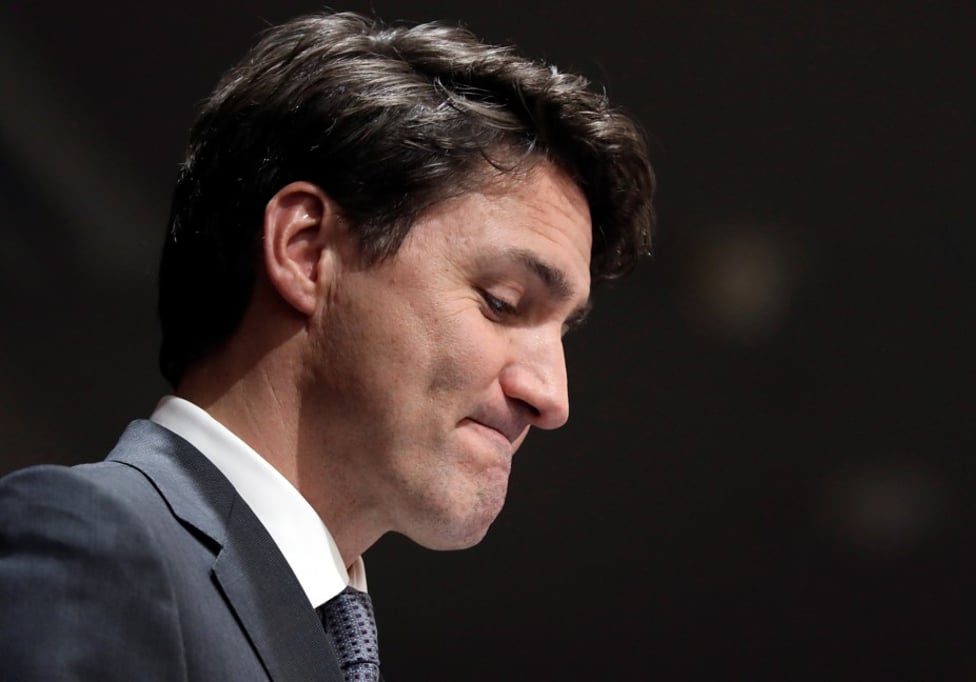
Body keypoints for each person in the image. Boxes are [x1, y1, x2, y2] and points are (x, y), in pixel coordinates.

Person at [0, 10, 655, 681]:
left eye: (563, 330)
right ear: (307, 253)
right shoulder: (97, 546)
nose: (552, 397)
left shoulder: (309, 631)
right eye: (503, 302)